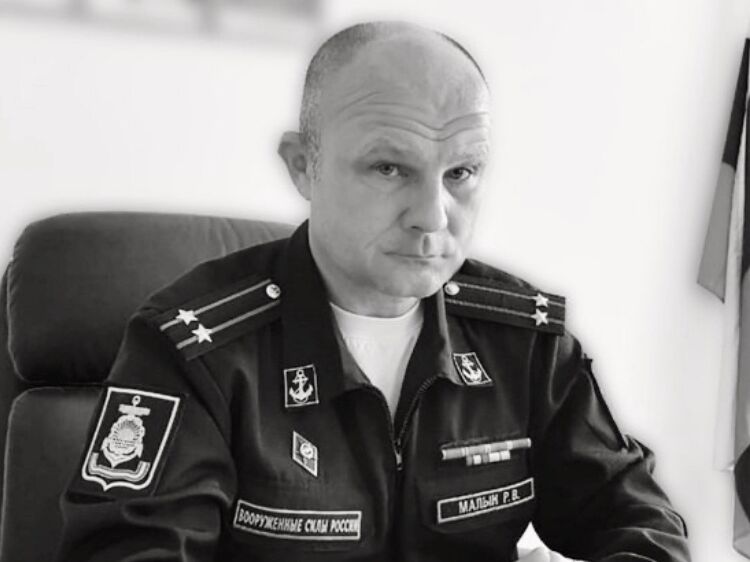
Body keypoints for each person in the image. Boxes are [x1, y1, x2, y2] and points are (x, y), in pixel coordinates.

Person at [55, 21, 690, 562]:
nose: (433, 216)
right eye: (390, 168)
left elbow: (645, 529)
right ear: (303, 165)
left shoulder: (524, 343)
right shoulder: (194, 349)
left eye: (462, 172)